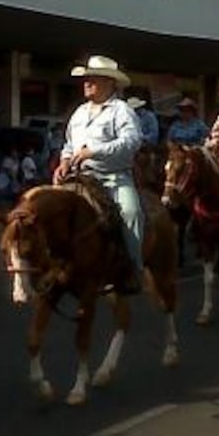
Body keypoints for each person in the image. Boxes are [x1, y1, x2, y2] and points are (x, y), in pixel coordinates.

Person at [53, 54, 144, 294]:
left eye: (93, 79)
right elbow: (69, 145)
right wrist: (63, 163)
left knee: (131, 212)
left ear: (109, 83)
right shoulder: (79, 113)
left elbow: (132, 141)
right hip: (79, 177)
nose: (87, 83)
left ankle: (134, 269)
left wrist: (94, 152)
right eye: (86, 79)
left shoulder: (121, 111)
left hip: (113, 178)